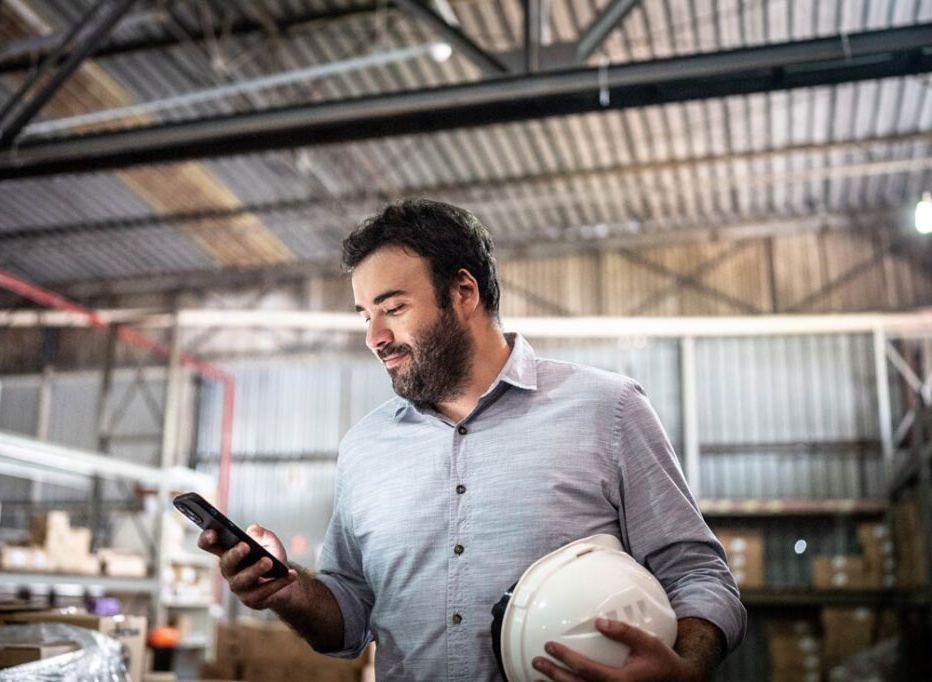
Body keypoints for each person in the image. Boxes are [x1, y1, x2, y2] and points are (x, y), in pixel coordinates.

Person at [198, 199, 747, 681]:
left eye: (393, 308)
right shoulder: (364, 448)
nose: (374, 338)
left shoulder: (609, 408)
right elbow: (352, 611)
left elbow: (698, 574)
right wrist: (286, 589)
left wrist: (685, 668)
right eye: (365, 315)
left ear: (464, 292)